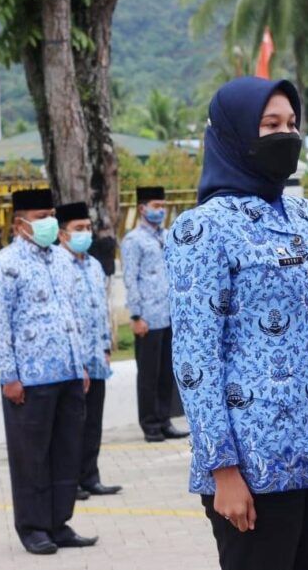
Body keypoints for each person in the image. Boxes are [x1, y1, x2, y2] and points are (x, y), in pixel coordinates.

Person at [165, 77, 308, 570]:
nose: (287, 135)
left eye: (293, 124)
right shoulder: (203, 228)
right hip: (255, 462)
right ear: (235, 135)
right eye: (270, 124)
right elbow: (195, 358)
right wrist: (222, 469)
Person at [0, 188, 97, 555]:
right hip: (31, 378)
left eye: (51, 215)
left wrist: (81, 364)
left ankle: (59, 522)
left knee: (67, 452)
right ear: (20, 224)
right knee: (31, 457)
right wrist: (9, 376)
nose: (49, 222)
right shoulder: (5, 264)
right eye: (41, 217)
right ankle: (33, 526)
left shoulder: (63, 260)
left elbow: (72, 315)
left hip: (68, 371)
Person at [56, 201, 123, 500]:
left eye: (87, 227)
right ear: (62, 234)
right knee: (72, 426)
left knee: (93, 421)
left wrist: (106, 345)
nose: (85, 233)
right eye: (78, 228)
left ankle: (90, 476)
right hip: (73, 360)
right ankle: (70, 482)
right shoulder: (58, 265)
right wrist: (78, 360)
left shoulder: (94, 265)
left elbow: (102, 308)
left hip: (96, 357)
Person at [122, 186, 188, 443]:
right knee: (149, 374)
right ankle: (150, 423)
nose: (161, 210)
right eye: (156, 205)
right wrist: (136, 315)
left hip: (169, 315)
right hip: (148, 317)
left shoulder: (168, 236)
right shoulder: (133, 240)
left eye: (163, 205)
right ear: (142, 208)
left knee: (166, 373)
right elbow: (130, 278)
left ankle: (164, 419)